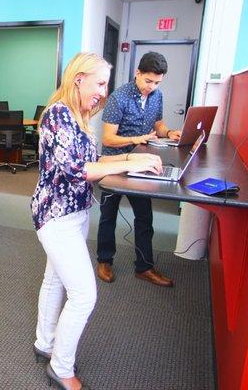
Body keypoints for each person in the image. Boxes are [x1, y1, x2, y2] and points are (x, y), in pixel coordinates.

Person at [31, 52, 162, 390]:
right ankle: (60, 369)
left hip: (74, 212)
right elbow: (79, 170)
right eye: (100, 83)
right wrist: (127, 163)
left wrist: (131, 156)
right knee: (85, 296)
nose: (104, 92)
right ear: (79, 79)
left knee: (54, 281)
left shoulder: (78, 115)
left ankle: (44, 343)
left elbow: (93, 158)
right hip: (56, 216)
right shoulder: (58, 115)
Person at [96, 51, 181, 287]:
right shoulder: (118, 98)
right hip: (114, 164)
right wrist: (137, 138)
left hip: (140, 164)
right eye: (148, 81)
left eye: (157, 82)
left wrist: (169, 132)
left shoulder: (157, 95)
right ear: (138, 73)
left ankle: (144, 267)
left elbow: (159, 124)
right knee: (108, 216)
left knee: (144, 217)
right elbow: (108, 139)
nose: (151, 87)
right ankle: (104, 260)